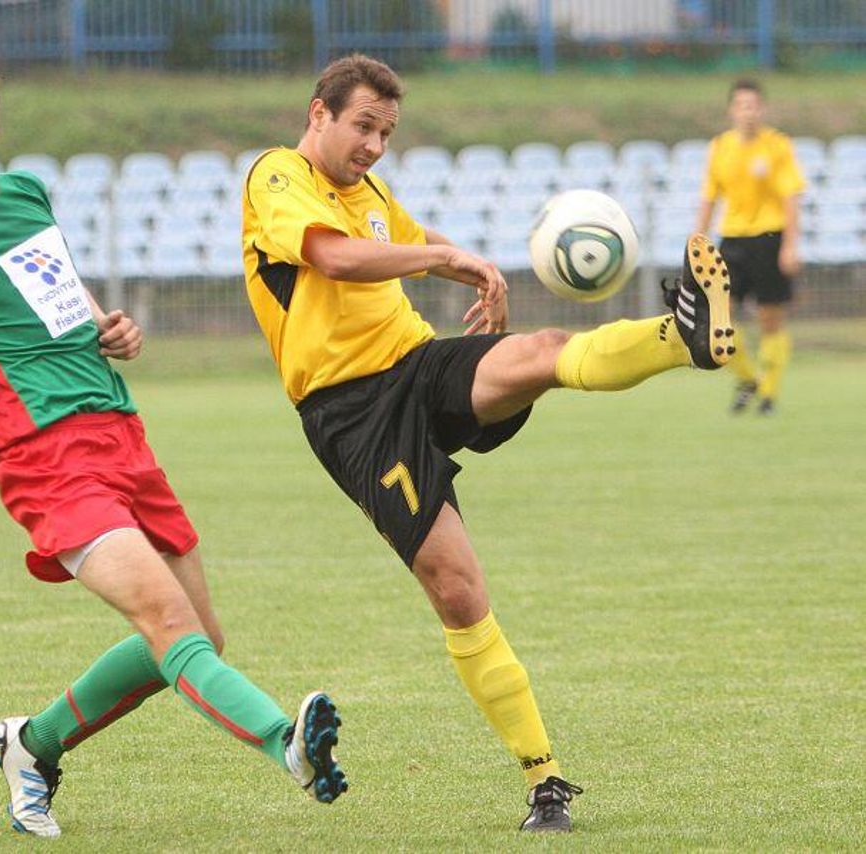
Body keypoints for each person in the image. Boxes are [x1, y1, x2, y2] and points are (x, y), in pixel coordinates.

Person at [0, 45, 347, 839]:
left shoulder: (25, 193)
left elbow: (54, 289)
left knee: (201, 634)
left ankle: (34, 746)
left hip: (122, 434)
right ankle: (287, 743)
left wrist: (105, 327)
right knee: (173, 628)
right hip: (44, 460)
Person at [241, 53, 735, 833]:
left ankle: (684, 336)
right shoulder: (277, 177)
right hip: (351, 414)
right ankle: (545, 778)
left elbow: (404, 234)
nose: (373, 145)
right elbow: (334, 254)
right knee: (458, 588)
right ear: (318, 115)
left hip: (417, 363)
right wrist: (445, 259)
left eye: (386, 132)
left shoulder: (367, 191)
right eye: (362, 126)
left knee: (539, 352)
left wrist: (479, 269)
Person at [695, 78, 805, 415]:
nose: (748, 112)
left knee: (770, 320)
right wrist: (698, 240)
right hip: (733, 239)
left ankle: (768, 394)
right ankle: (750, 377)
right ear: (732, 110)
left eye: (754, 105)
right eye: (742, 105)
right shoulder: (720, 147)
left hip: (770, 238)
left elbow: (791, 197)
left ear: (763, 109)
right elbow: (709, 198)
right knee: (719, 319)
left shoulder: (777, 146)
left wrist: (790, 245)